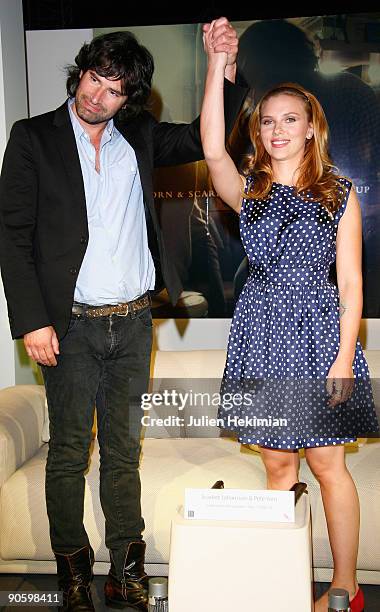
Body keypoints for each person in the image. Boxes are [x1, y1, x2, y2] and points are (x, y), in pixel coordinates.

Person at [0, 21, 244, 612]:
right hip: (71, 327)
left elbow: (206, 137)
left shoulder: (138, 136)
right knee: (66, 452)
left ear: (128, 98)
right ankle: (72, 573)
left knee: (123, 451)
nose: (97, 94)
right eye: (94, 77)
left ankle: (125, 571)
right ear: (80, 71)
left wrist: (222, 66)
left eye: (113, 88)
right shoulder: (33, 137)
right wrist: (32, 321)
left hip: (133, 325)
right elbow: (12, 236)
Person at [201, 20, 379, 612]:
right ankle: (285, 583)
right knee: (279, 465)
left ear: (311, 128)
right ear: (260, 128)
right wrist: (214, 67)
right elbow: (209, 148)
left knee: (328, 465)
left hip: (320, 335)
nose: (278, 129)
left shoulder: (339, 191)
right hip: (261, 337)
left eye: (290, 119)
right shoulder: (245, 190)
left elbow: (351, 287)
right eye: (268, 120)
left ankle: (345, 586)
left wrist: (342, 360)